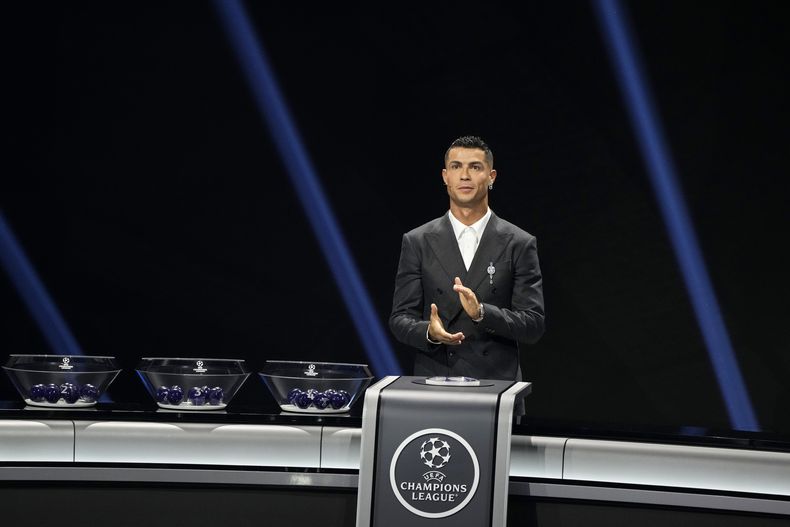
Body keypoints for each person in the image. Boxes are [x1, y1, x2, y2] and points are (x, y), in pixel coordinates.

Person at [389, 136, 545, 382]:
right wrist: (429, 332)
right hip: (437, 381)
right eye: (456, 166)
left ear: (491, 177)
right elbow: (400, 319)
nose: (464, 175)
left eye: (475, 167)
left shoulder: (519, 242)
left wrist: (482, 313)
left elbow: (533, 324)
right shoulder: (417, 241)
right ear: (445, 177)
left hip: (497, 385)